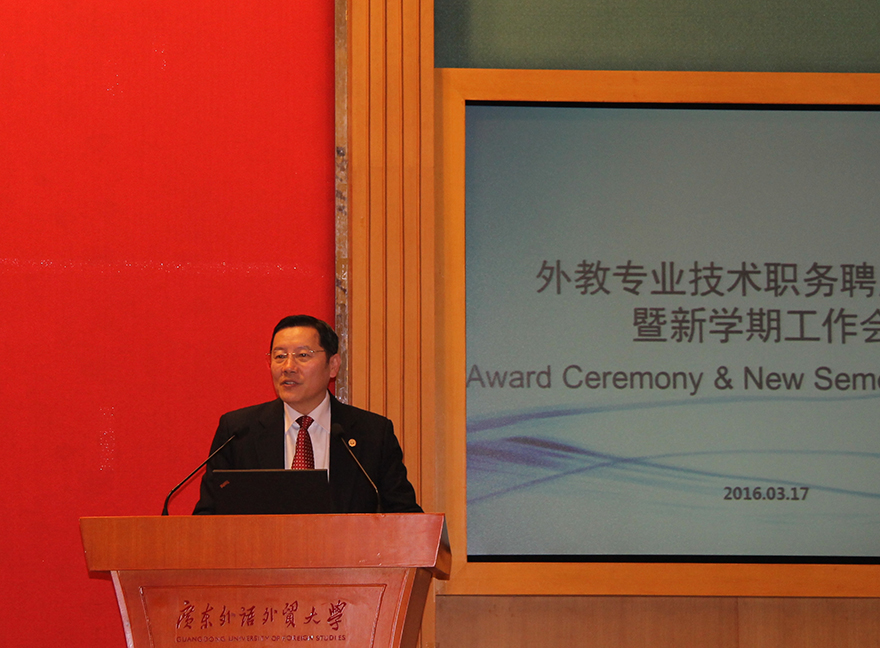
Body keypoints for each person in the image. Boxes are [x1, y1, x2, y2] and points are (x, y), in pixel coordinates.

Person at [194, 315, 422, 514]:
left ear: (333, 365)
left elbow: (404, 516)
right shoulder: (238, 432)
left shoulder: (372, 434)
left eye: (302, 355)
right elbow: (208, 516)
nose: (288, 367)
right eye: (279, 356)